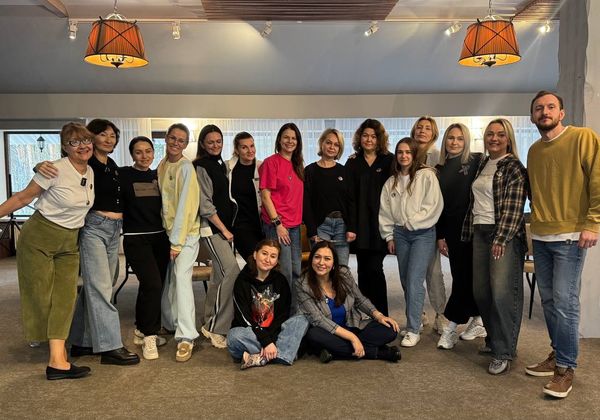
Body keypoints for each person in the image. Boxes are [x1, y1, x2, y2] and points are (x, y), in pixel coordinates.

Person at [38, 119, 139, 365]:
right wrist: (39, 165)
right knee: (102, 287)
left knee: (100, 285)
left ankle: (82, 341)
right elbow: (58, 169)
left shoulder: (111, 165)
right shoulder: (85, 161)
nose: (108, 139)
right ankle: (110, 346)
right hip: (93, 228)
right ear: (91, 138)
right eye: (102, 134)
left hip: (114, 230)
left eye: (112, 135)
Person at [0, 123, 94, 380]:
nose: (83, 146)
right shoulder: (54, 169)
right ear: (65, 147)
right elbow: (23, 198)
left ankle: (57, 361)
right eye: (74, 142)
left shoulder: (90, 171)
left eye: (86, 140)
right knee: (41, 295)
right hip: (39, 237)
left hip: (69, 241)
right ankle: (57, 357)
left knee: (66, 297)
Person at [525, 91, 600, 398]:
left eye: (550, 107)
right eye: (538, 108)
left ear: (562, 112)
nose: (544, 112)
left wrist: (593, 222)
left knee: (565, 302)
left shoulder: (583, 137)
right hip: (541, 236)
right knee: (549, 302)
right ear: (533, 116)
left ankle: (566, 368)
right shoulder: (533, 150)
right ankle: (558, 352)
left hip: (571, 235)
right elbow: (535, 192)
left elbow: (597, 180)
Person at [461, 118, 528, 375]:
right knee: (481, 292)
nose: (494, 138)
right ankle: (494, 339)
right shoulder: (483, 163)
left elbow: (514, 206)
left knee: (502, 294)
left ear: (508, 139)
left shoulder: (514, 167)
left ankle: (504, 351)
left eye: (500, 134)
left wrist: (501, 238)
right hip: (480, 231)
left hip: (503, 235)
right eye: (490, 134)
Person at [379, 137, 443, 347]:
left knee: (415, 280)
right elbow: (385, 211)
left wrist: (411, 222)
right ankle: (416, 321)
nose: (404, 155)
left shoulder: (427, 175)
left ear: (415, 154)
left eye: (408, 152)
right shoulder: (391, 181)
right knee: (406, 280)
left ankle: (413, 329)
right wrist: (389, 236)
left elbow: (433, 205)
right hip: (400, 235)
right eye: (400, 152)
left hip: (422, 233)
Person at [296, 241, 400, 363]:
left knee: (390, 329)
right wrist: (352, 338)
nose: (321, 262)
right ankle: (380, 353)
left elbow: (360, 299)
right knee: (314, 335)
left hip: (352, 325)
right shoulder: (303, 284)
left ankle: (333, 352)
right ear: (311, 260)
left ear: (334, 263)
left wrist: (379, 316)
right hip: (327, 331)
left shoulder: (343, 274)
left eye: (327, 258)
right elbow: (318, 320)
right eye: (317, 257)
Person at [434, 124, 486, 350]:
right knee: (461, 275)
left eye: (459, 138)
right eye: (450, 138)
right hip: (451, 230)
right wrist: (440, 235)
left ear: (466, 141)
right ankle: (478, 319)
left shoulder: (476, 160)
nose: (454, 142)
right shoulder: (439, 169)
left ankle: (452, 327)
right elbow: (438, 205)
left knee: (468, 278)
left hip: (474, 228)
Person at [120, 136, 170, 360]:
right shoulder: (123, 174)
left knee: (151, 287)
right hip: (136, 239)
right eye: (138, 152)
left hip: (160, 238)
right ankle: (150, 336)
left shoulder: (158, 176)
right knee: (152, 284)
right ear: (132, 154)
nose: (144, 156)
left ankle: (142, 329)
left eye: (148, 151)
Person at [227, 239, 309, 369]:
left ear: (277, 261)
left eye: (273, 256)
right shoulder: (242, 281)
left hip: (275, 332)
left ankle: (261, 357)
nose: (267, 259)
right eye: (264, 253)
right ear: (255, 255)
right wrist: (266, 342)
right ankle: (283, 354)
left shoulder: (280, 281)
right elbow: (244, 319)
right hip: (251, 332)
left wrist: (270, 340)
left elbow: (282, 316)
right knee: (234, 336)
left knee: (302, 319)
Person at [194, 124, 240, 349]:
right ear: (203, 144)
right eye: (210, 142)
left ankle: (208, 321)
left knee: (218, 277)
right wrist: (224, 229)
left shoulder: (220, 165)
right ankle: (216, 327)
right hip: (212, 230)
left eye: (218, 141)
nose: (215, 145)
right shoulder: (201, 166)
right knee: (232, 271)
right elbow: (205, 205)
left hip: (223, 229)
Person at [158, 123, 201, 362]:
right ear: (166, 138)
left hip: (186, 235)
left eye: (181, 140)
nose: (176, 143)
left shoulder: (186, 168)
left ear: (186, 144)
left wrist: (176, 242)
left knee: (182, 280)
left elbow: (187, 207)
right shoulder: (163, 164)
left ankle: (187, 336)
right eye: (173, 138)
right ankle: (171, 322)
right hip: (168, 233)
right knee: (171, 281)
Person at [345, 119, 394, 315]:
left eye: (373, 136)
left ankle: (382, 314)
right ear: (360, 138)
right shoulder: (352, 162)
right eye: (365, 135)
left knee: (375, 268)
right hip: (359, 224)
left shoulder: (389, 160)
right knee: (363, 271)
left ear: (379, 139)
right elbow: (348, 196)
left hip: (381, 224)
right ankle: (366, 315)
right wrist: (350, 226)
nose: (369, 139)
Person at [410, 116, 447, 334]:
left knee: (433, 272)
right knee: (411, 273)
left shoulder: (438, 156)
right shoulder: (407, 153)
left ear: (433, 133)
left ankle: (441, 314)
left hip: (431, 222)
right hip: (408, 224)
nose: (422, 131)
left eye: (427, 128)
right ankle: (418, 313)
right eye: (419, 127)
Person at [259, 122, 304, 300]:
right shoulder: (271, 163)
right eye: (286, 137)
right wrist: (278, 224)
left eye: (294, 138)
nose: (290, 141)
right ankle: (281, 310)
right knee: (283, 271)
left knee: (296, 270)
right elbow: (265, 196)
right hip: (277, 225)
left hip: (295, 226)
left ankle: (295, 310)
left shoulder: (298, 164)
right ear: (279, 139)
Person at [303, 128, 355, 266]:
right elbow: (305, 203)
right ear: (322, 143)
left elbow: (351, 202)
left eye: (336, 144)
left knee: (342, 267)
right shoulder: (310, 171)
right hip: (320, 226)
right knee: (321, 266)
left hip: (341, 226)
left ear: (339, 149)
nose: (332, 147)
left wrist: (352, 228)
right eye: (328, 143)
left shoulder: (344, 171)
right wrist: (312, 230)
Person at [227, 131, 264, 261]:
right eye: (244, 147)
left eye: (252, 146)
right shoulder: (228, 169)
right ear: (237, 150)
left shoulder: (261, 167)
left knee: (265, 263)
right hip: (241, 226)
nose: (250, 150)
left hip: (261, 224)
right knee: (254, 261)